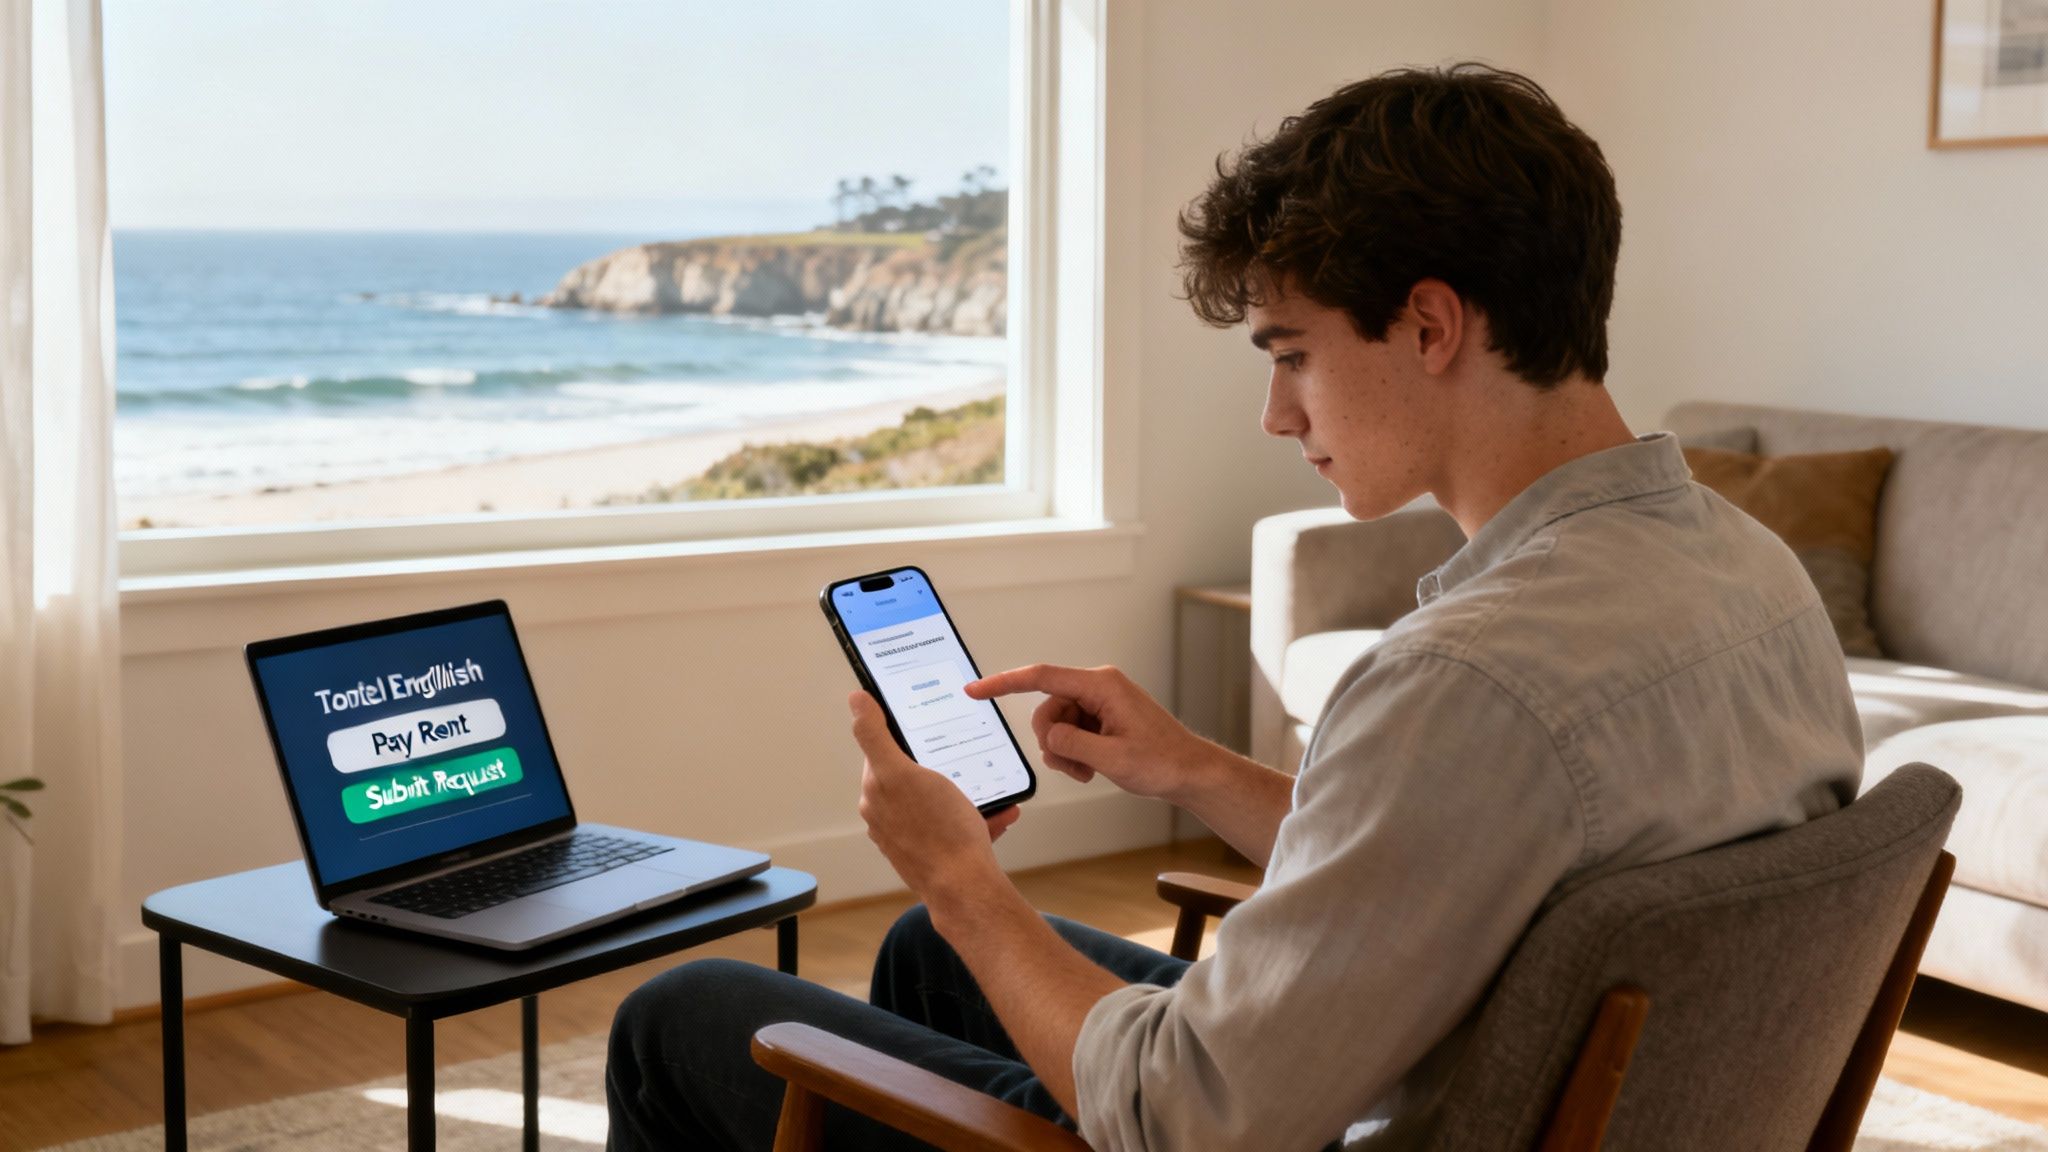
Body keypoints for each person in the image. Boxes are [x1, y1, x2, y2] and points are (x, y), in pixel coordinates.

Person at [605, 63, 1863, 1152]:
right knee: (932, 967)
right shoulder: (1751, 574)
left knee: (693, 1015)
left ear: (1428, 323)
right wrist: (1196, 771)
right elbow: (1459, 861)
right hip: (1496, 1093)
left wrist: (954, 876)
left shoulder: (1467, 681)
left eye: (1289, 353)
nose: (1276, 415)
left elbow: (1182, 1123)